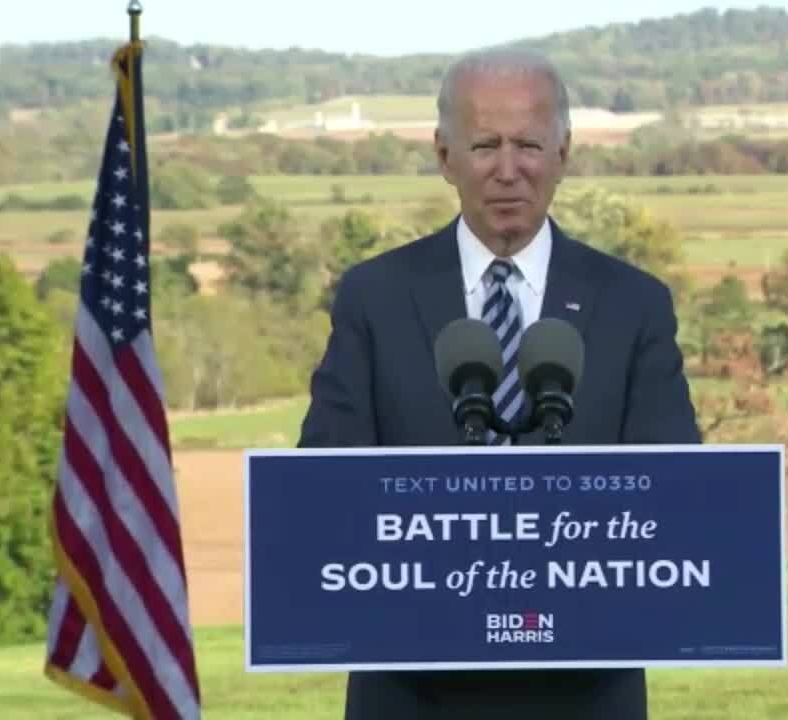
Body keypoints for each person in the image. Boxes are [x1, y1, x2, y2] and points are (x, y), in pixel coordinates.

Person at [298, 47, 700, 720]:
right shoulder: (376, 295)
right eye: (484, 144)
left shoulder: (634, 303)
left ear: (564, 153)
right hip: (411, 691)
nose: (507, 170)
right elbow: (325, 488)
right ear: (443, 155)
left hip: (587, 692)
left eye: (529, 145)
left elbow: (674, 492)